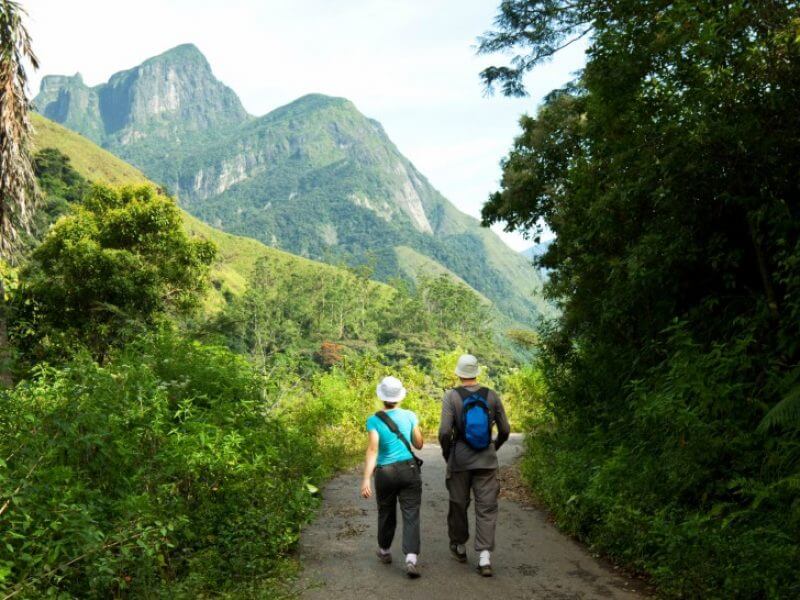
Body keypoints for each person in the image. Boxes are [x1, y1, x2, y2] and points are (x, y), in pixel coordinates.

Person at [438, 354, 511, 577]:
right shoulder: (491, 395)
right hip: (486, 460)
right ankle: (484, 558)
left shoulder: (451, 396)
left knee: (458, 504)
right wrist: (493, 447)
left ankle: (459, 547)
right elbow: (505, 429)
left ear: (459, 373)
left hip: (460, 459)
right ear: (477, 372)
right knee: (487, 508)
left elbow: (444, 432)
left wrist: (448, 452)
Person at [361, 376, 424, 578]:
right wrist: (415, 426)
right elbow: (419, 444)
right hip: (409, 469)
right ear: (400, 396)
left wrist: (366, 479)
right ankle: (411, 558)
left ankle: (385, 550)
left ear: (382, 397)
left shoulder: (374, 420)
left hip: (385, 472)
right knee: (411, 513)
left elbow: (372, 450)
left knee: (386, 511)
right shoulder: (410, 415)